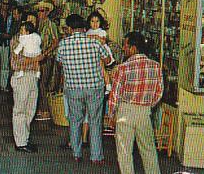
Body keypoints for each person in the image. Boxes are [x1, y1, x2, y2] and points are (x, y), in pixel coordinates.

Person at [56, 14, 111, 165]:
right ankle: (96, 156)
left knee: (75, 121)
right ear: (84, 27)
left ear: (69, 28)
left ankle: (76, 153)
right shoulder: (94, 43)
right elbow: (107, 60)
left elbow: (59, 63)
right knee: (95, 121)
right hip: (94, 87)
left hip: (73, 87)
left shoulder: (63, 44)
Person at [108, 32, 163, 174]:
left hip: (125, 111)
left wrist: (111, 114)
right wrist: (147, 106)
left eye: (125, 45)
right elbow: (159, 93)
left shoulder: (123, 68)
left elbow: (115, 94)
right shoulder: (156, 66)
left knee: (124, 152)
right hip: (145, 112)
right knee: (149, 150)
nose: (124, 48)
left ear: (133, 48)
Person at [10, 22, 44, 153]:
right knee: (20, 110)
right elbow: (16, 62)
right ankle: (20, 142)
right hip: (21, 77)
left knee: (30, 109)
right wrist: (35, 59)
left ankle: (25, 137)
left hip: (32, 76)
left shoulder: (35, 39)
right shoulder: (17, 40)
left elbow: (40, 56)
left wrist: (36, 61)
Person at [35, 1, 59, 121]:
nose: (40, 12)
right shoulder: (39, 24)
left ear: (47, 12)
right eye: (39, 10)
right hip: (39, 57)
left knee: (43, 83)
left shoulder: (50, 24)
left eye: (42, 10)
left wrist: (45, 53)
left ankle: (45, 110)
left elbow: (55, 42)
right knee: (39, 83)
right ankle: (41, 108)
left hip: (47, 57)